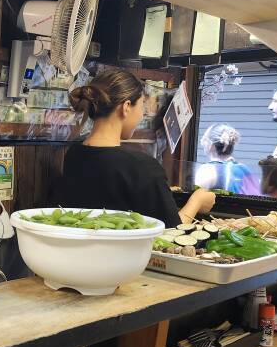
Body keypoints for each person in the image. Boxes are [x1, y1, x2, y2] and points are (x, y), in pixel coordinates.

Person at [56, 70, 215, 228]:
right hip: (124, 253)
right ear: (126, 107)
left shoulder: (73, 154)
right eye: (141, 106)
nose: (141, 115)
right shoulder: (142, 167)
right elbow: (171, 231)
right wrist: (197, 202)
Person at [195, 123, 258, 195]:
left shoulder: (207, 170)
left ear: (211, 145)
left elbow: (195, 201)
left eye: (204, 139)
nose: (202, 142)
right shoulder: (244, 168)